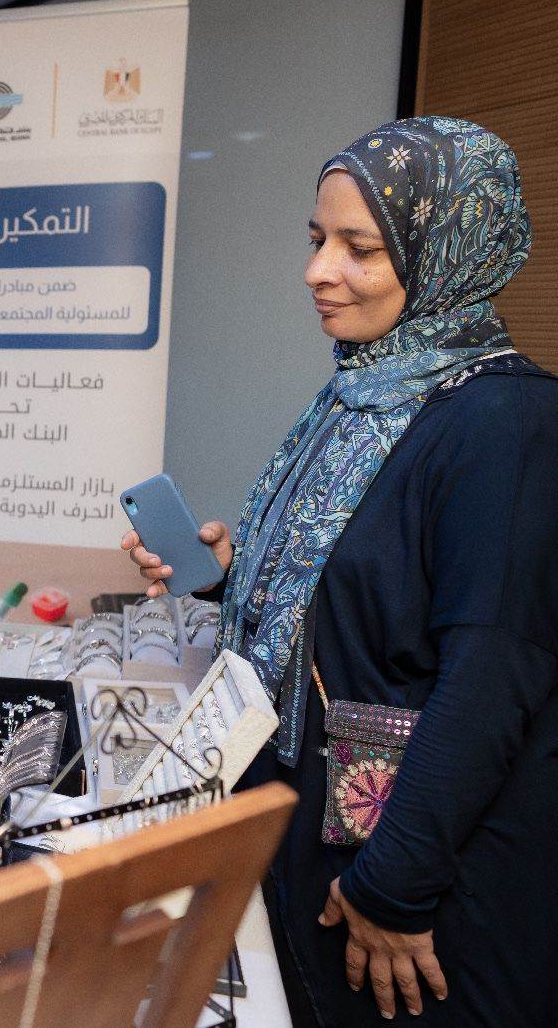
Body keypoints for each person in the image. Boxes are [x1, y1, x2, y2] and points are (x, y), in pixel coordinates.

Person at [121, 117, 557, 1026]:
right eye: (317, 239)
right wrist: (232, 577)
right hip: (316, 840)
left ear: (450, 250)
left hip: (411, 884)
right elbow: (372, 596)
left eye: (359, 248)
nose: (318, 271)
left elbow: (491, 680)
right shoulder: (364, 391)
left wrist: (393, 889)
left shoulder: (506, 423)